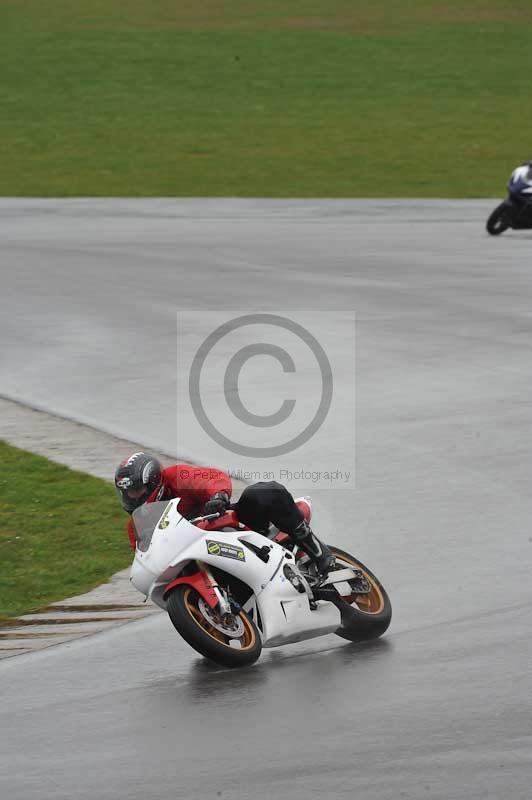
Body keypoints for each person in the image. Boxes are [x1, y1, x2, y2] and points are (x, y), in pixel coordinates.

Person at [114, 452, 334, 577]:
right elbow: (145, 557)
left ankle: (317, 550)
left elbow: (210, 477)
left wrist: (217, 496)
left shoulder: (176, 475)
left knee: (262, 493)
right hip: (195, 558)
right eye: (127, 493)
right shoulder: (136, 525)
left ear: (152, 481)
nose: (132, 498)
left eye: (136, 490)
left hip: (225, 526)